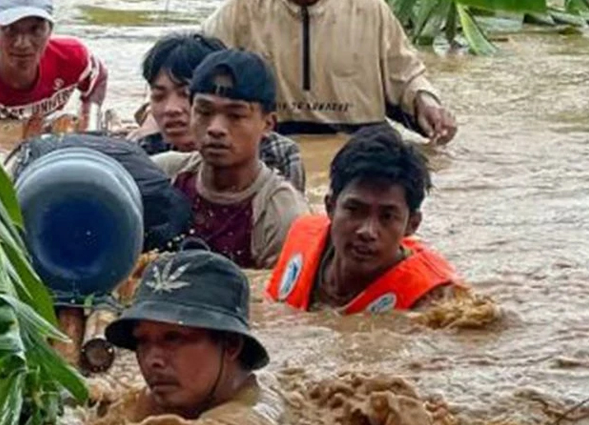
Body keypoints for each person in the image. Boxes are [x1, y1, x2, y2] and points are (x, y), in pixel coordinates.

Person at [0, 245, 277, 425]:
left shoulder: (247, 419)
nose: (153, 359)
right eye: (143, 341)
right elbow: (92, 421)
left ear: (231, 345)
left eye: (174, 338)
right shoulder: (157, 398)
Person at [201, 0, 458, 144]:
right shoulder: (239, 12)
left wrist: (426, 102)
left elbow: (406, 75)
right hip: (273, 147)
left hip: (363, 150)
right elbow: (192, 73)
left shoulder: (371, 9)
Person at [266, 124, 461, 313]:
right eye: (354, 210)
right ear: (330, 207)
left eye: (387, 216)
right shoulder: (301, 237)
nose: (367, 231)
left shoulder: (432, 299)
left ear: (412, 225)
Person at [151, 50, 309, 269]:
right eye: (204, 112)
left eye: (235, 115)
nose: (216, 128)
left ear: (268, 124)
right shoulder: (163, 175)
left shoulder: (281, 214)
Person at [132, 32, 306, 193]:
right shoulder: (143, 155)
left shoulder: (278, 155)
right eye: (158, 96)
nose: (171, 109)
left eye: (185, 94)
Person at [0, 0, 108, 125]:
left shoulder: (73, 59)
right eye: (10, 30)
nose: (23, 44)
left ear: (50, 30)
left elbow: (98, 76)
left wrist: (90, 121)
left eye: (35, 30)